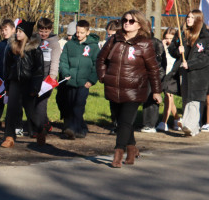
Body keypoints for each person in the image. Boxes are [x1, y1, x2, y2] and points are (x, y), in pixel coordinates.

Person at [96, 10, 162, 166]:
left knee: (125, 122)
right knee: (121, 122)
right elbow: (100, 59)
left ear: (139, 24)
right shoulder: (114, 39)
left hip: (134, 90)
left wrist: (157, 91)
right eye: (125, 20)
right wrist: (103, 76)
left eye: (131, 21)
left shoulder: (145, 43)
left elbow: (153, 69)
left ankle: (118, 153)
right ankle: (132, 149)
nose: (127, 23)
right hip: (114, 87)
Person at [0, 21, 44, 148]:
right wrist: (7, 86)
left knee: (30, 111)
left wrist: (35, 87)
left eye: (20, 31)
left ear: (27, 34)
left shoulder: (35, 50)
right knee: (11, 110)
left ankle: (40, 130)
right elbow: (7, 68)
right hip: (14, 83)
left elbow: (38, 71)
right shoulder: (11, 48)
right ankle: (9, 137)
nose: (17, 33)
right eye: (17, 31)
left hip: (29, 84)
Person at [170, 10, 209, 136]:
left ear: (198, 20)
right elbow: (172, 49)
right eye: (188, 17)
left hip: (199, 74)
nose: (188, 19)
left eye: (192, 17)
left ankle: (189, 125)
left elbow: (206, 57)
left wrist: (191, 64)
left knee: (195, 99)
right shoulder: (182, 34)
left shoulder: (206, 37)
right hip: (184, 72)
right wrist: (177, 49)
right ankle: (193, 126)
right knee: (186, 98)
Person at [58, 19, 99, 139]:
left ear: (87, 32)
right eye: (77, 32)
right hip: (70, 81)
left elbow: (97, 65)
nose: (78, 35)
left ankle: (73, 129)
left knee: (79, 105)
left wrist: (91, 80)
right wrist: (65, 72)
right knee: (70, 105)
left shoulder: (94, 47)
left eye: (81, 32)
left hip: (84, 82)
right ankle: (81, 128)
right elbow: (63, 61)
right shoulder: (69, 45)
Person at [35, 18, 61, 137]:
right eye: (41, 31)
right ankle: (45, 123)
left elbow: (55, 61)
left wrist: (52, 77)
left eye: (46, 31)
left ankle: (40, 130)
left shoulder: (54, 43)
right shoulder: (34, 41)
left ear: (50, 30)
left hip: (47, 79)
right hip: (35, 77)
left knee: (41, 102)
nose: (44, 34)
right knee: (35, 102)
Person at [159, 27, 181, 132]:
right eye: (166, 38)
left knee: (168, 96)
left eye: (171, 38)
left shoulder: (175, 48)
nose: (168, 40)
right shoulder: (162, 46)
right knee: (169, 98)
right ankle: (177, 119)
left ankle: (164, 122)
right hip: (163, 74)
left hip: (172, 75)